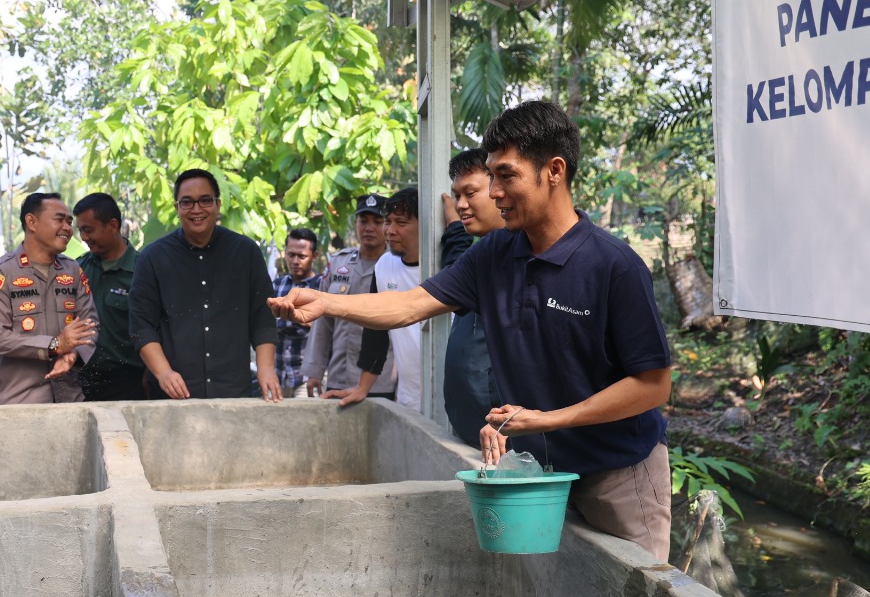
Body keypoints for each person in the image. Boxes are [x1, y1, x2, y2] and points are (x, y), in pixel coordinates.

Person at [269, 101, 673, 560]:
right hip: (540, 472)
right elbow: (409, 304)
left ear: (554, 171)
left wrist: (548, 419)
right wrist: (326, 302)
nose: (493, 192)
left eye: (506, 176)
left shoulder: (613, 265)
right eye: (492, 177)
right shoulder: (495, 253)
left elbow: (653, 386)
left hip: (617, 474)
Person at [129, 168, 280, 401]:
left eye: (205, 200)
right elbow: (141, 326)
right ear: (177, 207)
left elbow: (263, 317)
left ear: (218, 205)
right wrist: (164, 373)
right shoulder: (152, 258)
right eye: (187, 202)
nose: (196, 209)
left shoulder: (246, 252)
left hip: (233, 392)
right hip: (174, 396)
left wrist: (266, 369)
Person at [0, 192, 99, 405]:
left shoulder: (72, 270)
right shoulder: (1, 273)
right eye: (59, 219)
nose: (68, 228)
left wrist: (72, 355)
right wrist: (54, 345)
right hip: (19, 405)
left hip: (69, 402)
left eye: (69, 221)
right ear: (32, 222)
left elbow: (90, 325)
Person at [323, 188, 423, 411]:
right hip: (410, 397)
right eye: (388, 222)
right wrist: (362, 387)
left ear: (424, 223)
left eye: (401, 223)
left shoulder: (445, 263)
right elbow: (376, 331)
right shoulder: (385, 265)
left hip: (451, 393)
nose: (390, 230)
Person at [300, 194, 397, 400]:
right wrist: (315, 370)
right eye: (363, 221)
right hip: (339, 376)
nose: (369, 228)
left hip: (382, 380)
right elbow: (322, 322)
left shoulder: (396, 265)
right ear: (355, 223)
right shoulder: (338, 264)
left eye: (377, 221)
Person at [441, 148, 506, 443]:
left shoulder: (521, 256)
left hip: (504, 431)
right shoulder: (480, 255)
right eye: (457, 197)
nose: (461, 205)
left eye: (470, 193)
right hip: (469, 425)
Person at [73, 193, 147, 401]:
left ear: (113, 226)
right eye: (81, 231)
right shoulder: (78, 269)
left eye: (89, 230)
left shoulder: (143, 271)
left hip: (129, 383)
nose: (84, 237)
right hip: (82, 381)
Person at [271, 228, 322, 397]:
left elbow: (326, 328)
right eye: (291, 255)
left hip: (307, 376)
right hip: (277, 373)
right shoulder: (277, 285)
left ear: (314, 256)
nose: (295, 261)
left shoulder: (322, 287)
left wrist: (295, 316)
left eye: (302, 256)